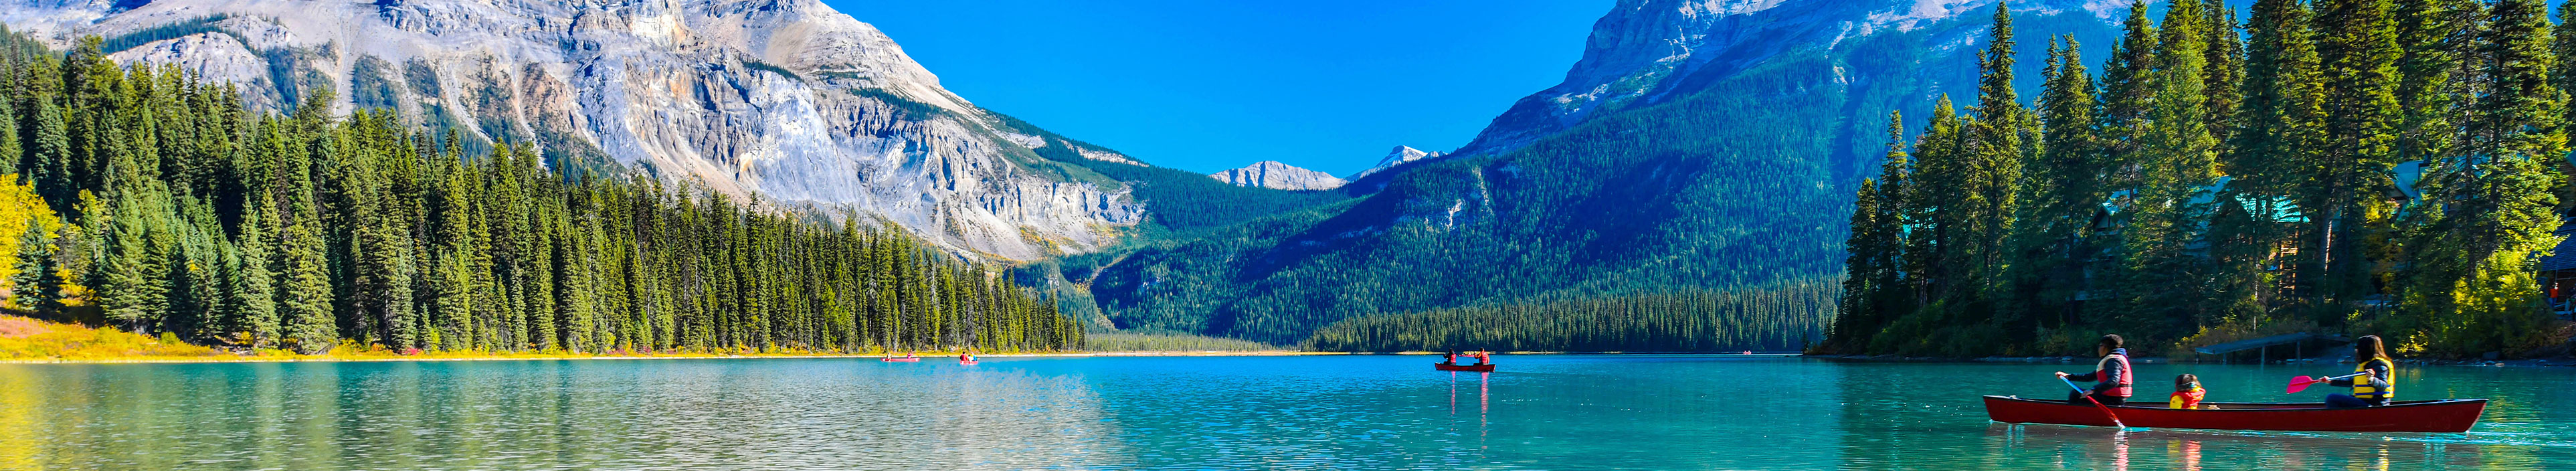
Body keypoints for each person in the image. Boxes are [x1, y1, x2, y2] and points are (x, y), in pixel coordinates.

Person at [2056, 335, 2133, 406]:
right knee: (2078, 393)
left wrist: (2093, 390)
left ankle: (2072, 417)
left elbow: (2114, 381)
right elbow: (2090, 377)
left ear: (2105, 347)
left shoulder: (2114, 360)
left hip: (2113, 399)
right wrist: (2068, 376)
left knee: (2075, 394)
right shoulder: (2114, 359)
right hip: (2113, 398)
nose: (2099, 349)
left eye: (2100, 346)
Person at [2322, 335, 2396, 408]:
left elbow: (2383, 386)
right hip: (2364, 401)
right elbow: (2354, 382)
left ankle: (2336, 420)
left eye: (2358, 347)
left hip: (2374, 404)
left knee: (2332, 398)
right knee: (2335, 399)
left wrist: (2372, 379)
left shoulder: (2379, 365)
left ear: (2366, 348)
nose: (2356, 350)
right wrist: (2331, 381)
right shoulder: (2367, 363)